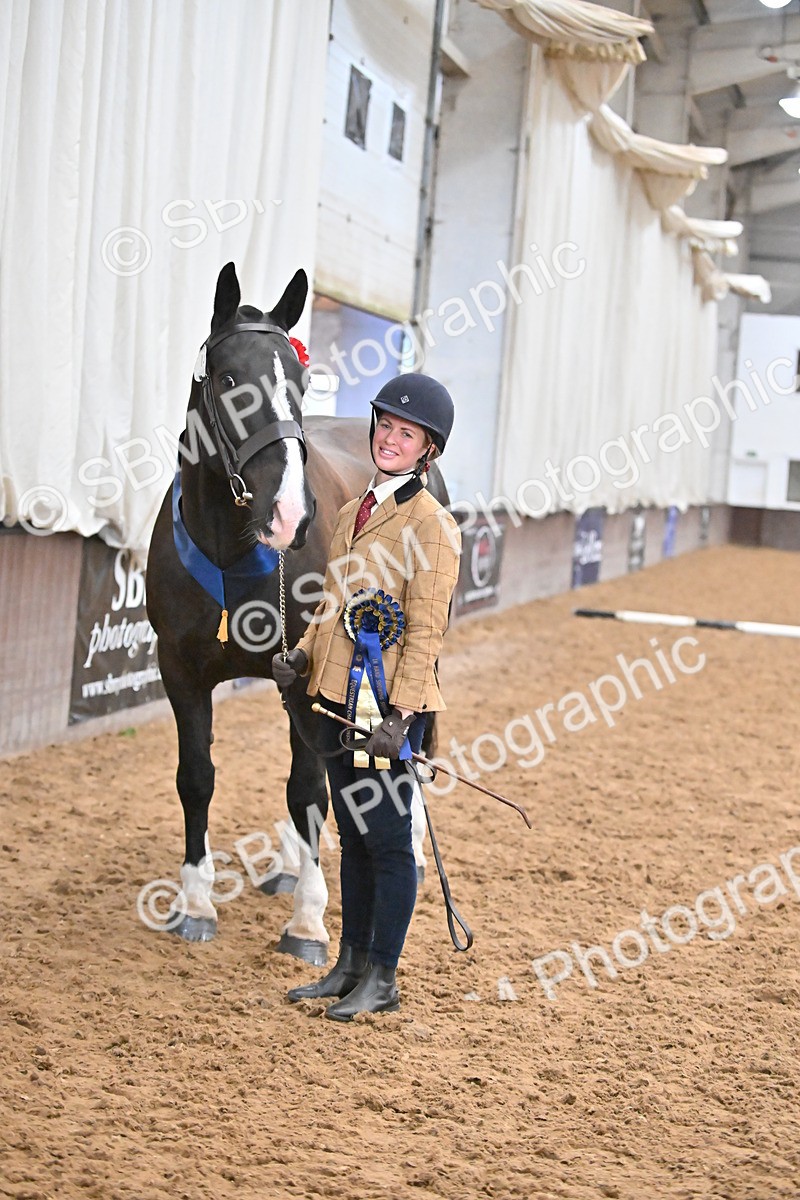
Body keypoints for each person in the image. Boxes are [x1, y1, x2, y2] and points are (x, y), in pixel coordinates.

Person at [272, 373, 461, 1022]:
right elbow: (336, 600)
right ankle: (348, 964)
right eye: (384, 425)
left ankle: (383, 975)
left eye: (405, 433)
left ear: (426, 451)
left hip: (383, 708)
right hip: (336, 697)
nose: (388, 438)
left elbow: (428, 627)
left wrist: (403, 715)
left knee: (386, 839)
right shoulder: (361, 508)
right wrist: (302, 657)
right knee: (350, 837)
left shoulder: (431, 525)